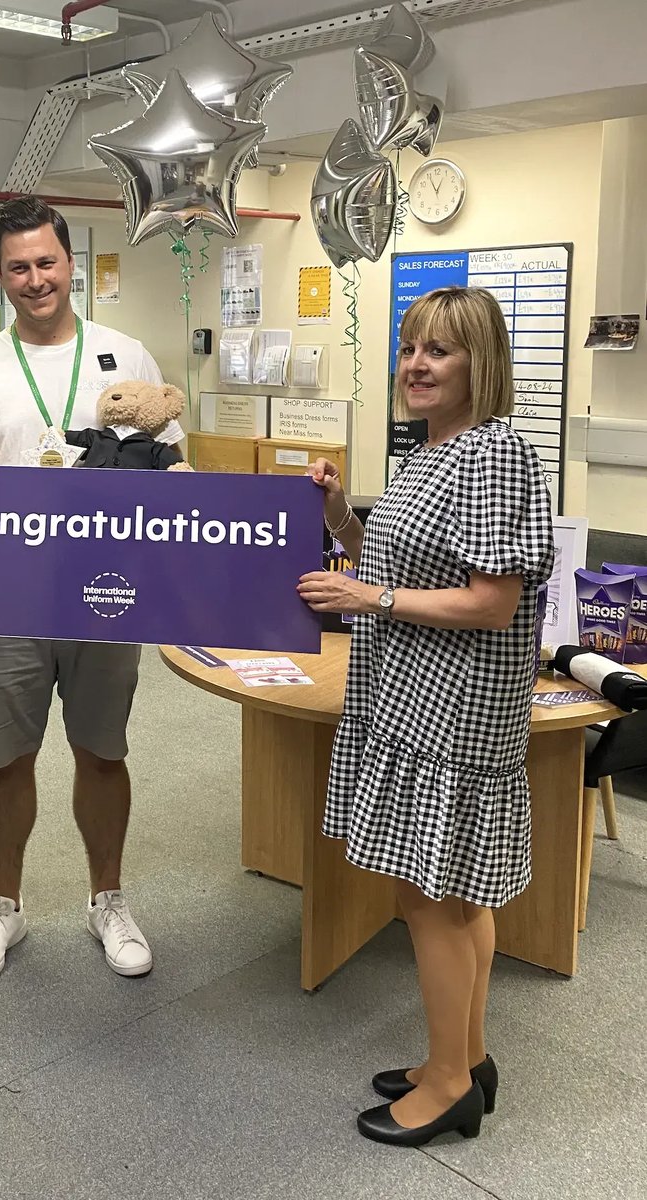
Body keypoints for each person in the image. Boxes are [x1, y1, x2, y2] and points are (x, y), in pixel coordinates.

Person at [297, 286, 554, 1146]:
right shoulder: (428, 453)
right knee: (448, 891)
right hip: (411, 698)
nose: (415, 365)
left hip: (451, 709)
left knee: (431, 896)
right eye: (409, 347)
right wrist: (337, 516)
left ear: (480, 364)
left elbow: (489, 602)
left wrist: (367, 595)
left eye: (438, 350)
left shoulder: (491, 454)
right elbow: (397, 563)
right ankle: (467, 1056)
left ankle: (447, 1086)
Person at [0, 196, 183, 984]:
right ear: (0, 277)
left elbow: (169, 474)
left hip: (106, 591)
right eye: (18, 268)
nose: (36, 279)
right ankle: (4, 906)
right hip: (5, 596)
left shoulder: (125, 352)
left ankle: (108, 899)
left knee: (102, 751)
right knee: (7, 757)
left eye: (47, 263)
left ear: (71, 263)